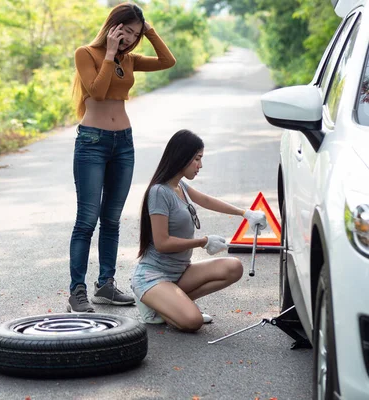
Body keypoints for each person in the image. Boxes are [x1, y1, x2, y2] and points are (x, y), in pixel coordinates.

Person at [68, 3, 176, 313]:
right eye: (125, 31)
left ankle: (106, 285)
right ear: (112, 26)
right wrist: (108, 52)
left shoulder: (129, 60)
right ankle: (77, 290)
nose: (129, 39)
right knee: (86, 220)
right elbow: (98, 92)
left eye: (135, 34)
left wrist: (149, 30)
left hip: (123, 144)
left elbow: (168, 61)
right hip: (92, 143)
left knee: (112, 220)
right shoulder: (86, 54)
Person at [131, 129, 267, 331]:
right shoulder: (159, 192)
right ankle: (155, 305)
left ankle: (171, 306)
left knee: (234, 267)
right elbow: (162, 243)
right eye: (197, 159)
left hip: (180, 273)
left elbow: (206, 200)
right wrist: (203, 242)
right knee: (193, 322)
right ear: (182, 157)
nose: (200, 165)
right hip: (153, 277)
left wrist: (245, 213)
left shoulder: (180, 186)